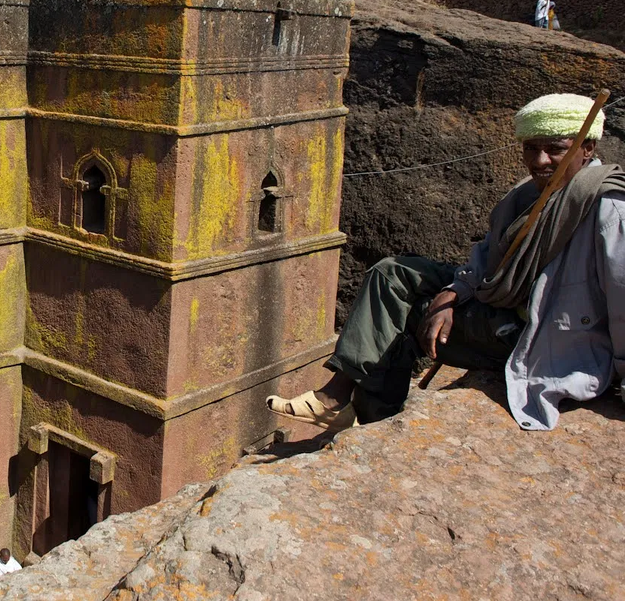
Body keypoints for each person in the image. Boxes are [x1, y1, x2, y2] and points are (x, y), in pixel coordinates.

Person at [266, 93, 625, 433]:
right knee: (392, 273)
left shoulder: (607, 209)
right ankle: (339, 395)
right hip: (497, 298)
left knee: (402, 317)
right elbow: (487, 259)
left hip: (539, 335)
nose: (540, 160)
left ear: (587, 148)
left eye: (556, 150)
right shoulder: (529, 194)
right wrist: (453, 293)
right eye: (531, 148)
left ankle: (367, 417)